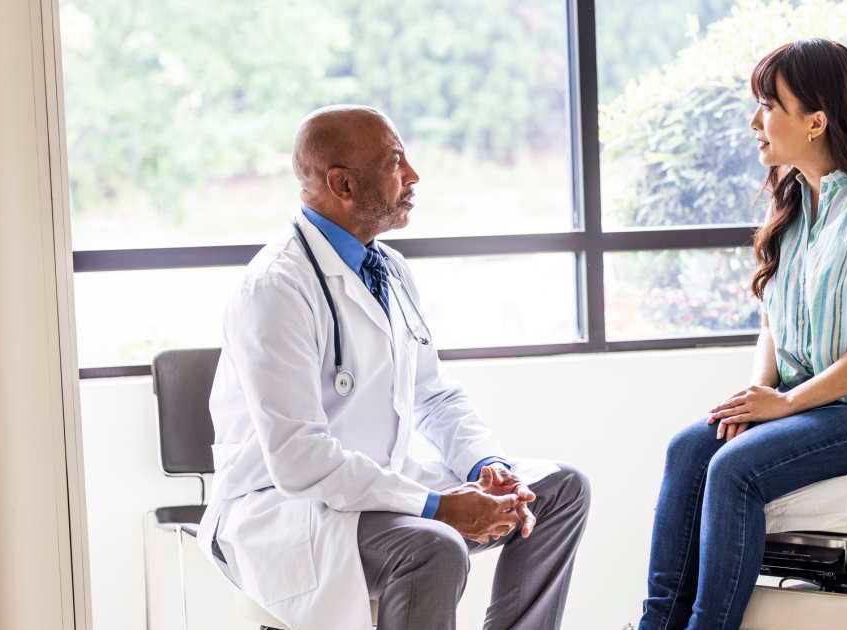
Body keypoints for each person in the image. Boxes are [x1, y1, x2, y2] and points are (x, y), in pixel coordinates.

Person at [196, 104, 590, 630]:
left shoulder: (389, 268)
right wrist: (437, 506)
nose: (413, 176)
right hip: (285, 511)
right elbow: (298, 460)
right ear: (343, 184)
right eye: (395, 163)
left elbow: (434, 395)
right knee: (435, 547)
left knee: (560, 490)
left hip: (377, 486)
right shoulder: (275, 288)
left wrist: (484, 466)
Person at [634, 39, 847, 630]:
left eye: (769, 105)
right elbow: (773, 328)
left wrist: (782, 405)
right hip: (809, 409)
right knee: (691, 447)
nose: (756, 121)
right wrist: (754, 401)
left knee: (736, 468)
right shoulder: (793, 210)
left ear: (816, 120)